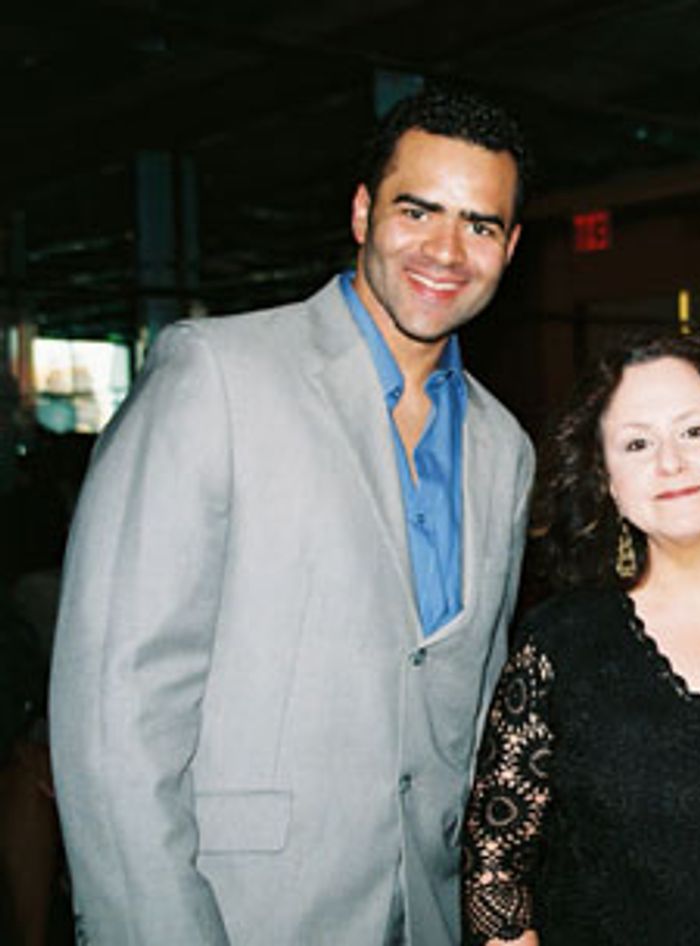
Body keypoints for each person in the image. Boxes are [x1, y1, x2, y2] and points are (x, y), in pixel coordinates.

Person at [49, 84, 535, 945]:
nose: (446, 250)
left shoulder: (506, 449)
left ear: (511, 246)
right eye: (417, 211)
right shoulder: (217, 376)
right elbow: (114, 708)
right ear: (362, 212)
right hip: (236, 915)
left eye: (480, 225)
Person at [461, 334, 700, 945]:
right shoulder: (558, 640)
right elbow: (496, 873)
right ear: (606, 478)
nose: (670, 463)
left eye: (694, 431)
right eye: (637, 443)